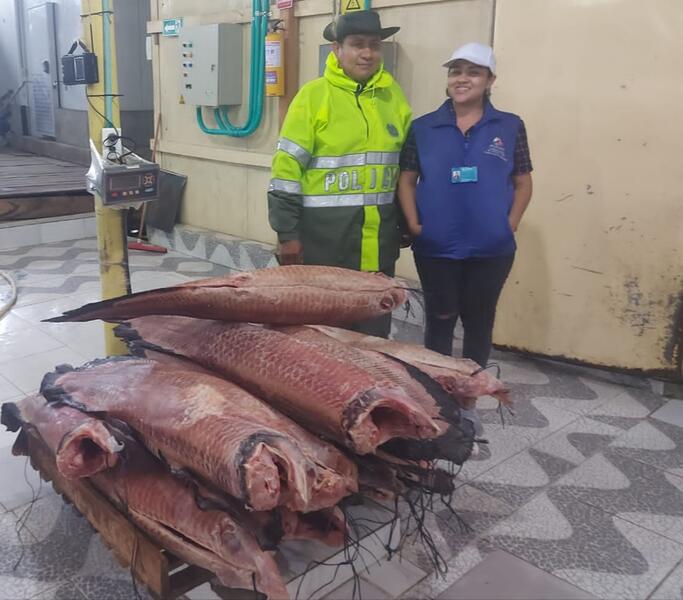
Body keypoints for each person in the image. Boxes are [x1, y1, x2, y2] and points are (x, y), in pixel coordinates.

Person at [268, 10, 412, 338]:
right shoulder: (313, 97)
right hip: (324, 246)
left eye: (374, 45)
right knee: (322, 338)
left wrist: (404, 223)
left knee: (373, 339)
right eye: (357, 44)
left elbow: (404, 169)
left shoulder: (394, 98)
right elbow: (286, 171)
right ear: (337, 49)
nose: (367, 53)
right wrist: (287, 234)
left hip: (378, 248)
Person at [398, 42, 533, 366]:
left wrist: (509, 224)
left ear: (490, 80)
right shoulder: (424, 127)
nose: (462, 78)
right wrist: (415, 224)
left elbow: (523, 182)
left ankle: (470, 393)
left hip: (491, 250)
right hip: (436, 247)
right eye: (455, 71)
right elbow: (406, 179)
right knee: (440, 321)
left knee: (479, 323)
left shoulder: (510, 126)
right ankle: (439, 395)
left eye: (473, 72)